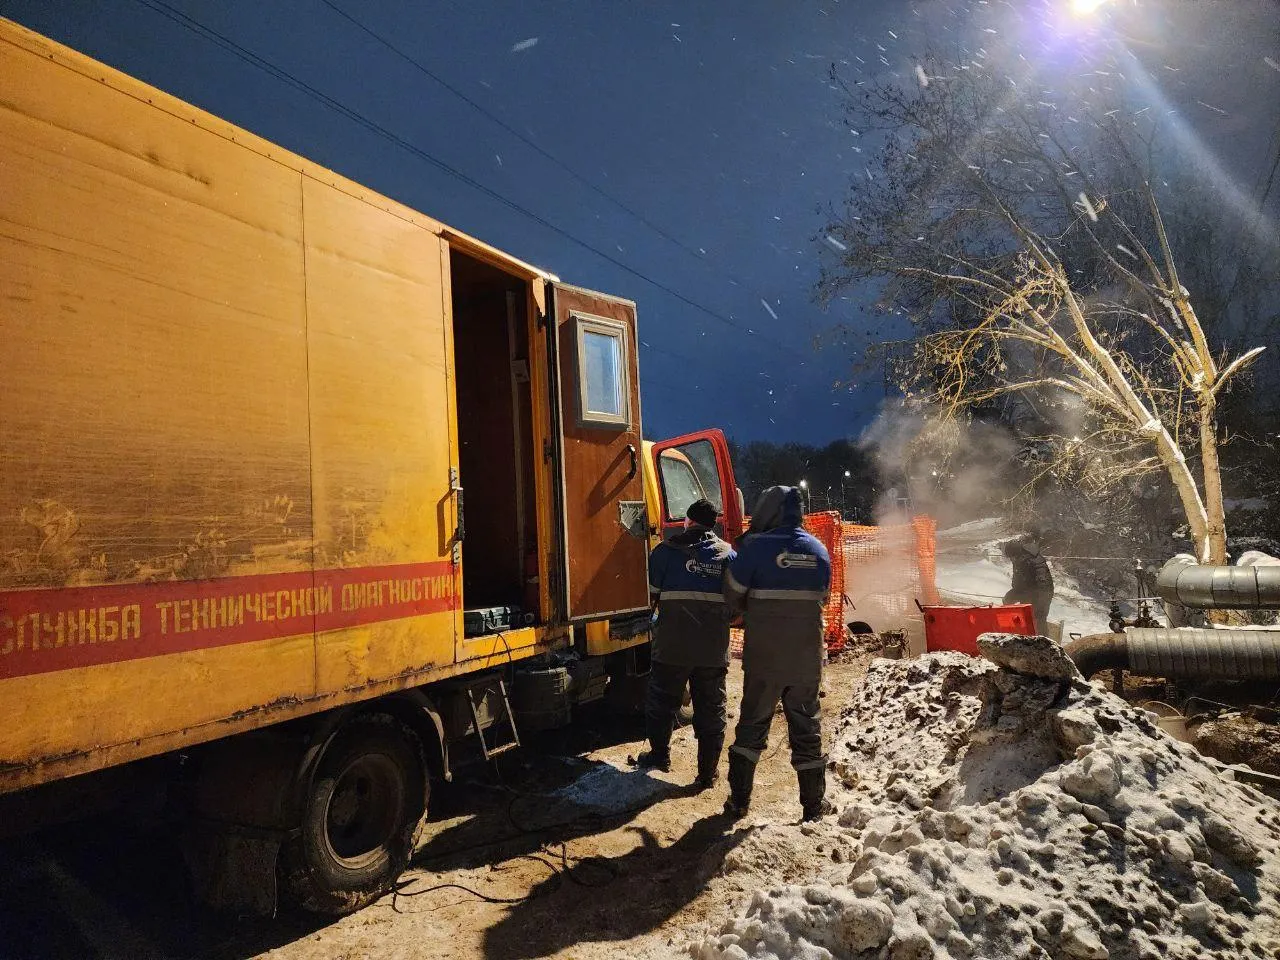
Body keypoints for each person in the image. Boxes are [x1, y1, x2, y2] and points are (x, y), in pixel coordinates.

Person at [722, 486, 833, 822]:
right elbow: (823, 598)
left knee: (752, 725)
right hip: (806, 660)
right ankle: (813, 806)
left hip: (765, 657)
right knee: (807, 727)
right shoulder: (818, 549)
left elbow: (732, 596)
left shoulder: (754, 549)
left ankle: (738, 802)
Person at [636, 498, 736, 790]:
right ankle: (707, 774)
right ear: (713, 523)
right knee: (711, 710)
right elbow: (738, 605)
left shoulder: (664, 553)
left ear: (688, 521)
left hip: (672, 647)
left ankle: (659, 757)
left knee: (662, 703)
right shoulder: (729, 556)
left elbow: (649, 599)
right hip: (712, 650)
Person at [1002, 530, 1054, 631]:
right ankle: (1014, 631)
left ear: (1016, 553)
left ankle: (1042, 642)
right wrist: (1013, 594)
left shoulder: (1033, 559)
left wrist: (1034, 598)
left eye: (1012, 557)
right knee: (1010, 602)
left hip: (1041, 593)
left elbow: (1042, 582)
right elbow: (1018, 581)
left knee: (1038, 619)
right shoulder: (1019, 559)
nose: (1011, 559)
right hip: (1028, 591)